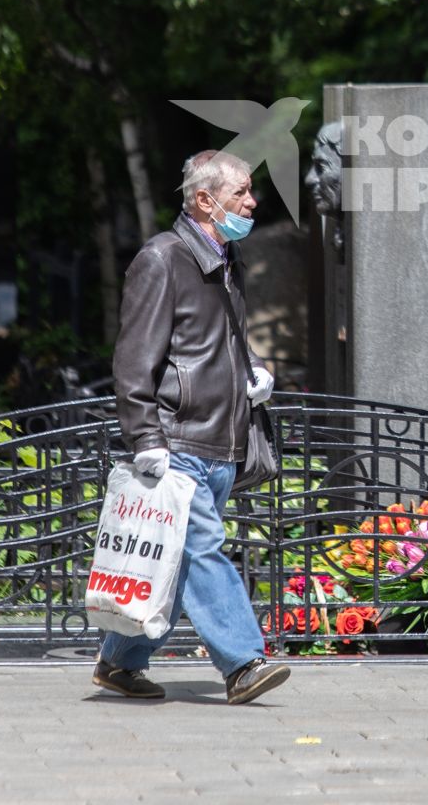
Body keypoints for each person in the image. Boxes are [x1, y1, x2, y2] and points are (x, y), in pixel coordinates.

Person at [93, 149, 289, 704]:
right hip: (178, 442)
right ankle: (244, 662)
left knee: (174, 560)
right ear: (205, 200)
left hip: (221, 439)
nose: (251, 203)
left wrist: (251, 373)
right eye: (241, 194)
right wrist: (145, 439)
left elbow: (214, 344)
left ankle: (117, 662)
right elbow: (134, 360)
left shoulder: (225, 259)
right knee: (203, 547)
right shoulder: (164, 258)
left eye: (250, 194)